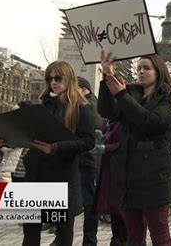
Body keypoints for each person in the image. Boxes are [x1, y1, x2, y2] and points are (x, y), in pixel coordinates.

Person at [98, 51, 171, 245]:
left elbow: (151, 123)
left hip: (154, 179)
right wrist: (107, 76)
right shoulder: (131, 94)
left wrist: (122, 95)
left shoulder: (169, 100)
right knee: (134, 236)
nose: (141, 72)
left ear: (158, 72)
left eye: (147, 68)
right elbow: (106, 111)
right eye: (139, 68)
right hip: (127, 178)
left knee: (159, 236)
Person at [22, 61, 95, 246]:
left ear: (69, 79)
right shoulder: (42, 106)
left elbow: (88, 141)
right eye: (50, 78)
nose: (54, 82)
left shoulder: (81, 108)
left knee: (63, 233)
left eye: (58, 78)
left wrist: (56, 148)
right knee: (30, 231)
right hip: (36, 174)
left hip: (61, 176)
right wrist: (5, 139)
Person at [77, 76, 104, 246]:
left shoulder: (91, 106)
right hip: (78, 159)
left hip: (88, 160)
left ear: (84, 89)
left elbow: (95, 128)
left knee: (89, 202)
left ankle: (89, 240)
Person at [95, 120, 128, 245]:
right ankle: (116, 239)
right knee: (113, 209)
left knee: (122, 211)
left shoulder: (124, 121)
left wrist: (106, 148)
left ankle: (123, 240)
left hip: (120, 172)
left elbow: (124, 144)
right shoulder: (108, 122)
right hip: (108, 170)